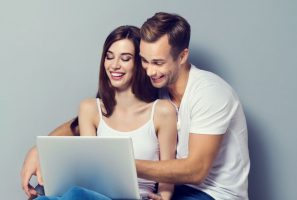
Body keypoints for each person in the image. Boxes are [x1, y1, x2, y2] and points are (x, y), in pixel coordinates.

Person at [22, 12, 250, 200]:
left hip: (212, 193)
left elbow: (196, 170)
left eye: (158, 63)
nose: (150, 70)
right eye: (145, 61)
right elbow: (83, 123)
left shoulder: (209, 92)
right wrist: (37, 150)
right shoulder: (156, 87)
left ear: (182, 57)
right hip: (171, 189)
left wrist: (117, 164)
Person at [23, 25, 178, 200]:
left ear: (139, 63)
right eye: (109, 57)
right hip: (94, 196)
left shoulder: (162, 112)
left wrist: (164, 198)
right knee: (69, 193)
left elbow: (168, 172)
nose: (114, 65)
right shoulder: (90, 109)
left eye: (125, 59)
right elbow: (90, 172)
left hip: (139, 197)